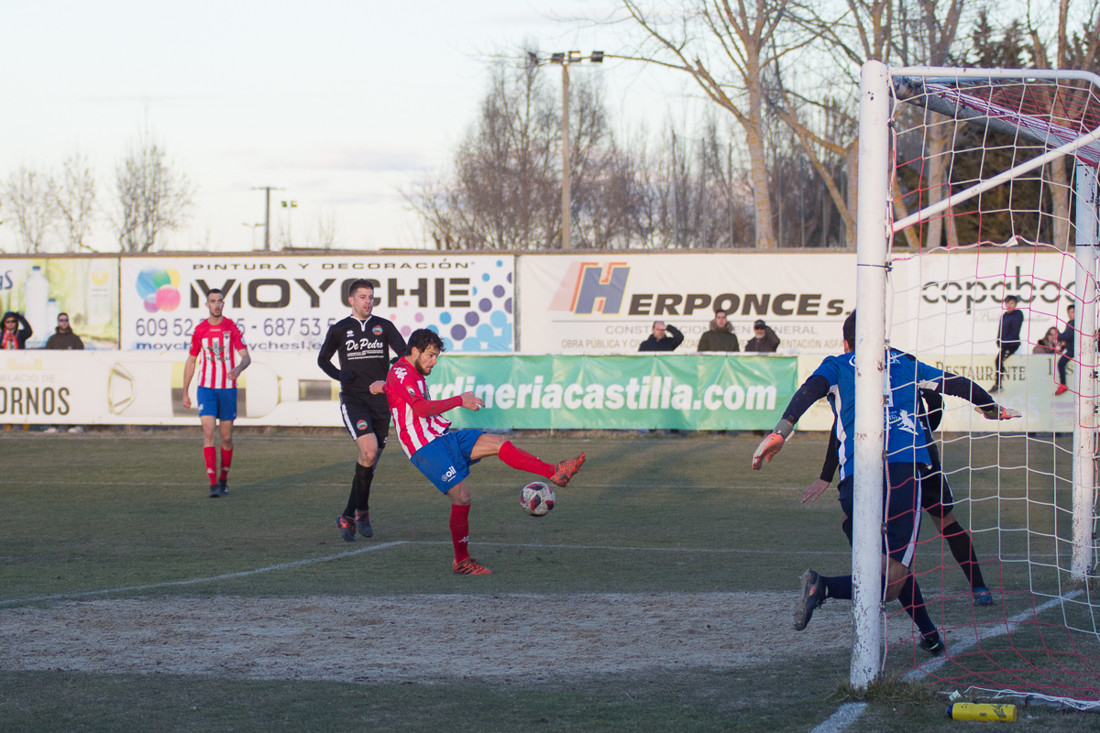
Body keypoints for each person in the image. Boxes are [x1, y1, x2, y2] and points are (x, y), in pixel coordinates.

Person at [752, 311, 1017, 656]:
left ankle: (930, 634)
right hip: (902, 472)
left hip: (854, 474)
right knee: (891, 579)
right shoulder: (906, 363)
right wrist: (989, 407)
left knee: (882, 565)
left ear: (847, 341)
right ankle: (824, 588)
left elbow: (810, 389)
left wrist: (781, 431)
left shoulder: (838, 364)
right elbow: (956, 384)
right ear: (882, 338)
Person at [385, 328, 586, 575]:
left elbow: (398, 390)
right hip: (424, 447)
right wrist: (460, 400)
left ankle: (554, 472)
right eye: (430, 355)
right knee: (462, 498)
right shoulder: (402, 372)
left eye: (436, 356)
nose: (434, 362)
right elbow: (419, 408)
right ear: (414, 351)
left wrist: (383, 386)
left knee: (499, 441)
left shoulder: (406, 371)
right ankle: (461, 561)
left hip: (440, 435)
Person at [805, 388, 994, 607]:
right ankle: (979, 588)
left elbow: (839, 431)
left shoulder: (855, 378)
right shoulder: (906, 367)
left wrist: (825, 476)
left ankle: (877, 579)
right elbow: (935, 400)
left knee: (855, 519)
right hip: (921, 452)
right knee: (944, 520)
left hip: (886, 459)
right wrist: (923, 433)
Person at [318, 278, 406, 542]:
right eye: (363, 297)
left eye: (371, 297)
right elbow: (323, 359)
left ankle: (348, 515)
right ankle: (363, 512)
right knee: (367, 451)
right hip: (354, 399)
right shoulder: (340, 329)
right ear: (351, 300)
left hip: (381, 402)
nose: (368, 302)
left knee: (371, 462)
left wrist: (395, 362)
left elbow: (404, 354)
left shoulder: (384, 326)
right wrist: (339, 374)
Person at [182, 289, 251, 498]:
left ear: (223, 303)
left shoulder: (231, 327)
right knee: (209, 432)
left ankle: (223, 479)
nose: (217, 305)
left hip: (227, 389)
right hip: (206, 388)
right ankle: (213, 484)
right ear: (207, 305)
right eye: (213, 301)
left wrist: (238, 369)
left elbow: (246, 357)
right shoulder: (200, 330)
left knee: (227, 437)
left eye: (220, 301)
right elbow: (192, 360)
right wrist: (185, 391)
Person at [43, 312, 86, 433]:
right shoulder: (53, 339)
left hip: (71, 375)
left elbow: (82, 355)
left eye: (66, 320)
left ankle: (73, 425)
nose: (64, 322)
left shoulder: (75, 339)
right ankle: (54, 425)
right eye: (61, 320)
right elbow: (46, 356)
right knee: (55, 399)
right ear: (58, 322)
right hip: (57, 375)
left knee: (72, 399)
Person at [990, 295, 1024, 393]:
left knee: (998, 360)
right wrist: (998, 341)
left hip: (1011, 344)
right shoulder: (1004, 315)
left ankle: (998, 385)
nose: (1009, 305)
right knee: (998, 361)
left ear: (1015, 304)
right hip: (1004, 344)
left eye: (1012, 303)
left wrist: (1005, 342)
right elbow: (1000, 330)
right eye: (1007, 303)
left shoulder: (1018, 314)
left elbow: (1015, 331)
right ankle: (998, 383)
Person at [1056, 303, 1076, 396]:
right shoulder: (1069, 323)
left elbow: (1068, 336)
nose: (1071, 314)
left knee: (1061, 363)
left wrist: (1058, 336)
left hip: (1074, 349)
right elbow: (1065, 335)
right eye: (1069, 312)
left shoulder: (1076, 323)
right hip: (1070, 348)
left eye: (1073, 312)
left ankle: (1063, 384)